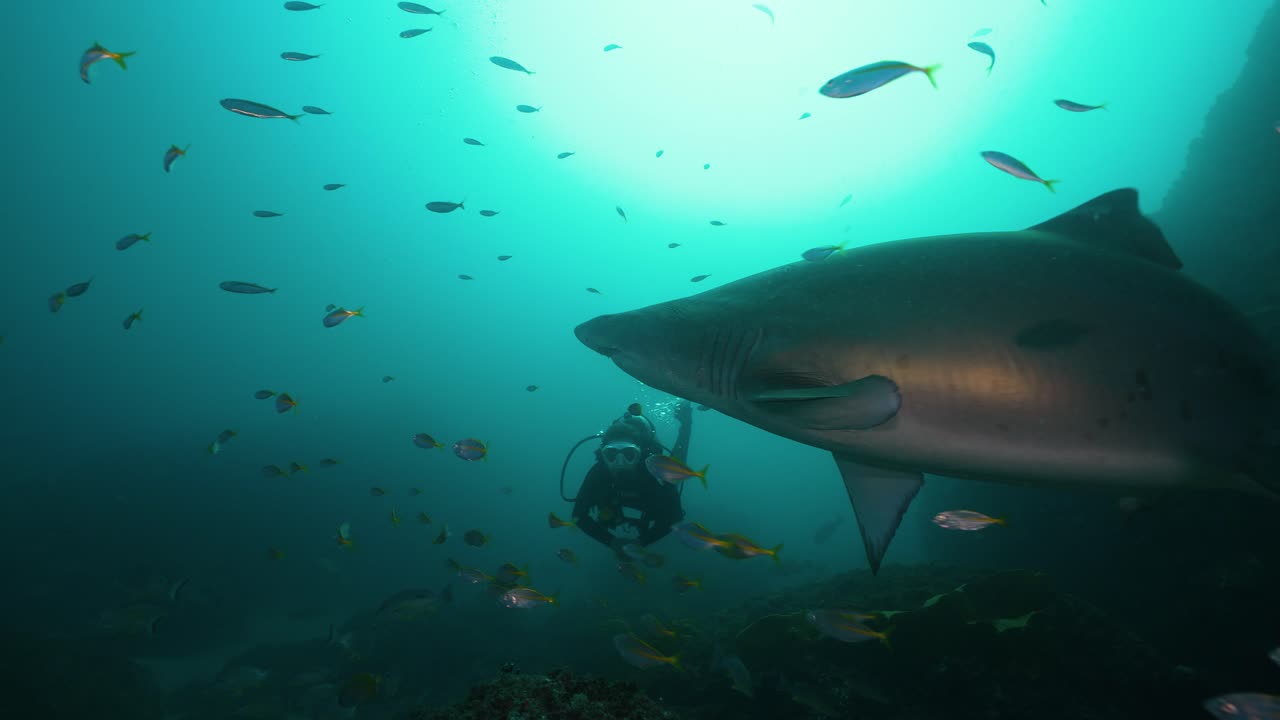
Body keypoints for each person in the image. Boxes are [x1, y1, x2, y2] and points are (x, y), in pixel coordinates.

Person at [572, 400, 693, 560]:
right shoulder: (599, 472)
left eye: (629, 454)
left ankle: (686, 424)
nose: (620, 462)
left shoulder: (655, 472)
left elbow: (675, 517)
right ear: (603, 456)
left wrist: (642, 542)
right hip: (618, 510)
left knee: (676, 468)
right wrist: (612, 542)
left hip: (650, 506)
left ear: (639, 455)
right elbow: (578, 515)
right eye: (611, 455)